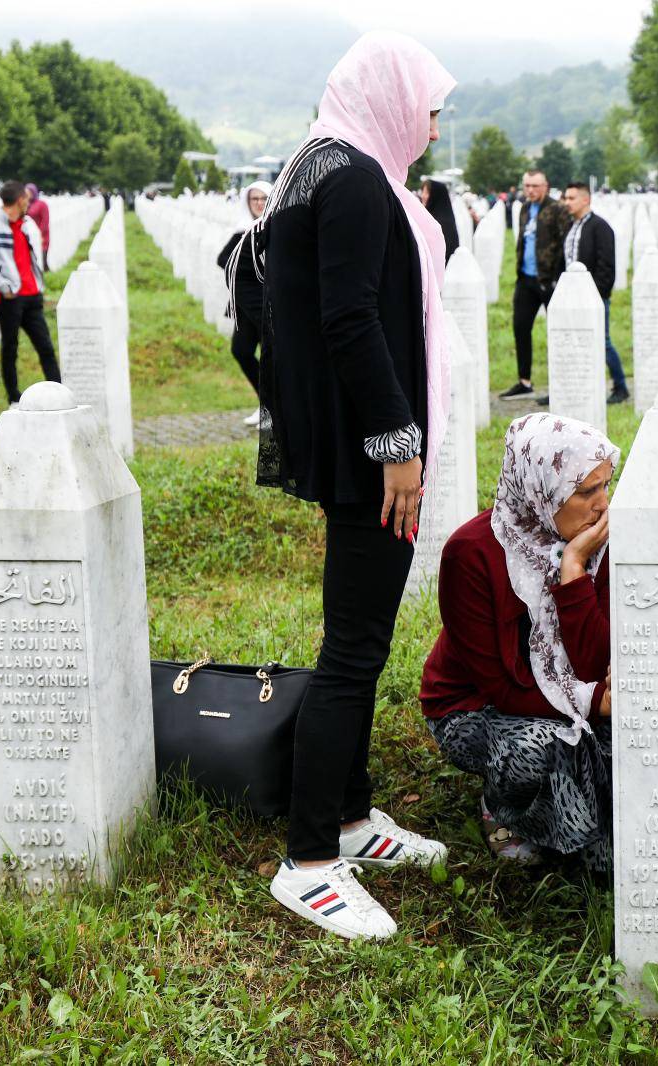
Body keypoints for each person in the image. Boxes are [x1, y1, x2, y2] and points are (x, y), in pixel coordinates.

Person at [254, 31, 454, 940]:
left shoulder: (315, 163)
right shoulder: (359, 180)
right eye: (431, 108)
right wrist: (397, 445)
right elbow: (349, 317)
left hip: (343, 442)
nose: (436, 129)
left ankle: (350, 816)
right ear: (391, 97)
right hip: (371, 454)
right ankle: (310, 860)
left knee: (358, 642)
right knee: (354, 649)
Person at [421, 413, 618, 867]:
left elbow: (593, 662)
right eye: (586, 491)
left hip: (571, 690)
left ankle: (566, 824)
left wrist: (573, 571)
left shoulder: (597, 543)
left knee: (626, 736)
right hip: (475, 707)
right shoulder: (470, 553)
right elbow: (499, 689)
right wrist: (592, 703)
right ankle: (503, 806)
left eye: (606, 484)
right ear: (540, 489)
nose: (603, 505)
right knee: (549, 745)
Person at [0, 181, 60, 405]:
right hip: (9, 298)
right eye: (27, 200)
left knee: (46, 347)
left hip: (32, 295)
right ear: (20, 200)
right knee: (10, 347)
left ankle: (60, 393)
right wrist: (3, 286)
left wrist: (39, 286)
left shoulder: (25, 224)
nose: (29, 204)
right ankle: (14, 397)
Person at [501, 170, 570, 399]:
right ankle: (524, 381)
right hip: (525, 278)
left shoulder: (557, 209)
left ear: (546, 186)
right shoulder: (523, 209)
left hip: (549, 280)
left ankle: (558, 384)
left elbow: (564, 245)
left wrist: (557, 278)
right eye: (527, 185)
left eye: (535, 186)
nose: (530, 190)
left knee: (557, 332)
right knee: (520, 327)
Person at [561, 181, 628, 404]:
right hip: (573, 296)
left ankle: (620, 386)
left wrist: (597, 294)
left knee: (603, 340)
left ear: (585, 199)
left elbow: (606, 265)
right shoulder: (573, 225)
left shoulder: (600, 226)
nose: (566, 202)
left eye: (571, 198)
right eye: (566, 198)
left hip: (594, 296)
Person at [216, 181, 272, 425]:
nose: (259, 203)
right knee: (241, 351)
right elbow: (223, 260)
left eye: (263, 199)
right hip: (243, 307)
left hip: (265, 307)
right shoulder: (243, 230)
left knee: (273, 360)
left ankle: (275, 411)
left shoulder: (273, 228)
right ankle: (266, 405)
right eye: (254, 199)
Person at [420, 177, 459, 259]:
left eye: (426, 192)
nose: (423, 196)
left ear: (436, 196)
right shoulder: (428, 217)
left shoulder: (443, 223)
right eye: (422, 191)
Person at [24, 184, 50, 272]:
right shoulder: (26, 204)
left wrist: (41, 234)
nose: (27, 195)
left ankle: (45, 271)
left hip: (42, 233)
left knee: (43, 253)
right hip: (30, 233)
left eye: (29, 193)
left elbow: (45, 220)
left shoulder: (42, 204)